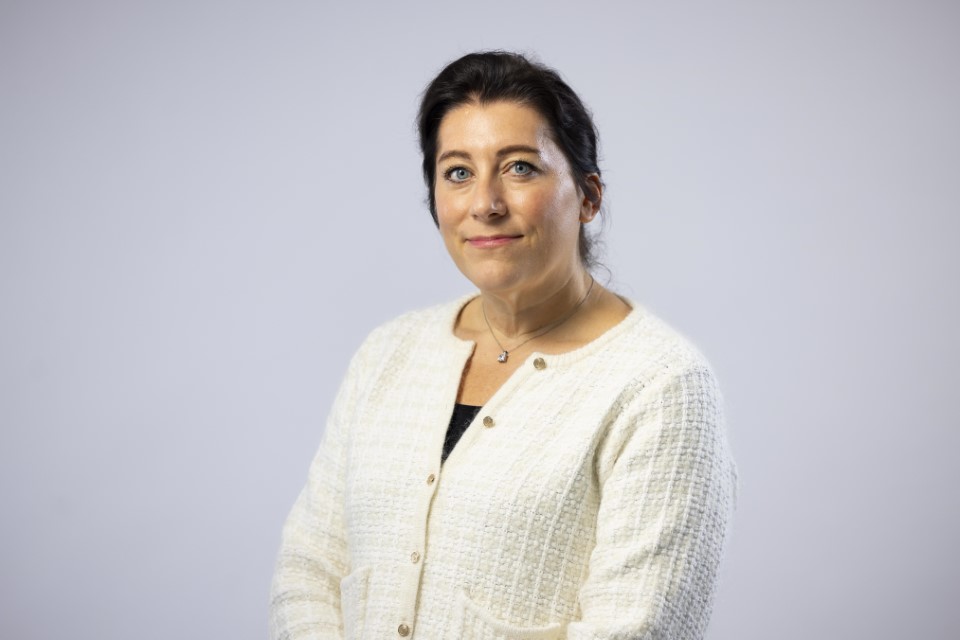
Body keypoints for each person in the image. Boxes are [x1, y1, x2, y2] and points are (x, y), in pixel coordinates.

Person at [269, 51, 737, 640]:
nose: (485, 204)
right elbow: (310, 566)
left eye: (519, 168)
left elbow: (636, 628)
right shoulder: (387, 353)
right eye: (457, 172)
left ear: (588, 196)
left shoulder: (660, 385)